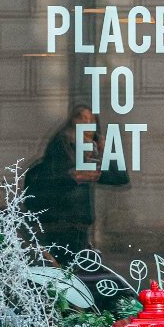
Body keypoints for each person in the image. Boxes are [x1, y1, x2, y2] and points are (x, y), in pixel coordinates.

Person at [26, 104, 100, 254]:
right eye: (82, 118)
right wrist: (77, 175)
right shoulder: (64, 141)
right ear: (73, 120)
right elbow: (59, 172)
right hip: (63, 211)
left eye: (90, 120)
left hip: (77, 212)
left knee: (75, 253)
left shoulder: (85, 143)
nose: (87, 123)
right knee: (66, 253)